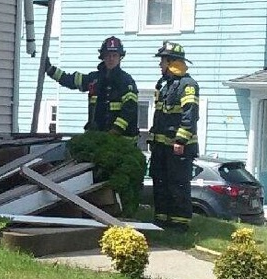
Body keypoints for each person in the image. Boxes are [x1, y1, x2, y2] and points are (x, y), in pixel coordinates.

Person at [44, 36, 139, 137]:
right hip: (98, 138)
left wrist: (116, 130)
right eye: (108, 55)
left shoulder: (126, 81)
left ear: (120, 58)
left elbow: (130, 108)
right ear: (103, 57)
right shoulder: (95, 79)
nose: (111, 59)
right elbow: (71, 80)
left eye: (114, 55)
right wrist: (50, 70)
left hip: (121, 142)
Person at [148, 41, 199, 230]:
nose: (160, 65)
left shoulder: (188, 86)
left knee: (177, 184)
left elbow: (189, 115)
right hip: (161, 147)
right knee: (160, 182)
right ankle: (162, 218)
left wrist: (180, 140)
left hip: (179, 148)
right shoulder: (165, 85)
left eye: (162, 61)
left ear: (172, 63)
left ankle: (180, 223)